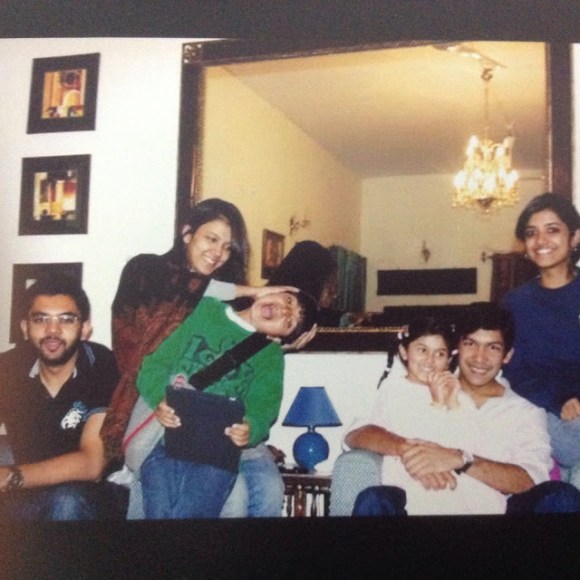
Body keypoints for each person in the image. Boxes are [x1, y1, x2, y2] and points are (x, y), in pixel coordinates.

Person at [102, 197, 313, 518]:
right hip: (164, 407)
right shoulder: (151, 273)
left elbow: (262, 401)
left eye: (227, 247)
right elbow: (185, 295)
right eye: (211, 239)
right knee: (231, 498)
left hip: (222, 426)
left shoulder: (238, 315)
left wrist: (273, 345)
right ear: (187, 233)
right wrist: (255, 291)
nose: (218, 253)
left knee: (269, 489)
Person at [346, 302, 580, 515]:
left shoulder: (525, 412)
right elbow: (357, 433)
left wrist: (460, 460)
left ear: (507, 355)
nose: (479, 358)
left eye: (492, 348)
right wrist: (411, 451)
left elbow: (529, 479)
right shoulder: (420, 384)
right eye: (470, 344)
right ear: (457, 347)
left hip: (489, 517)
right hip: (413, 508)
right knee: (374, 499)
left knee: (561, 496)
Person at [137, 291, 318, 519]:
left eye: (289, 322)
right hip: (168, 440)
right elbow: (154, 366)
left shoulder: (271, 356)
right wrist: (159, 399)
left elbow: (264, 407)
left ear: (280, 337)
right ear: (276, 291)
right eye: (289, 301)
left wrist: (251, 428)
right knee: (158, 510)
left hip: (217, 450)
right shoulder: (206, 310)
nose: (284, 310)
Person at [0, 275, 120, 520]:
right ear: (25, 328)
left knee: (67, 500)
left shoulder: (102, 365)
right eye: (41, 319)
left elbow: (92, 464)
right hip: (27, 489)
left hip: (89, 493)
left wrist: (12, 476)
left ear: (85, 328)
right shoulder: (8, 367)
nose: (52, 330)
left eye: (66, 319)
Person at [502, 192, 580, 483]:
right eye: (531, 233)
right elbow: (513, 370)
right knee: (570, 447)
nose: (540, 241)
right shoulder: (515, 303)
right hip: (541, 408)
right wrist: (559, 401)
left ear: (575, 237)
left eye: (552, 230)